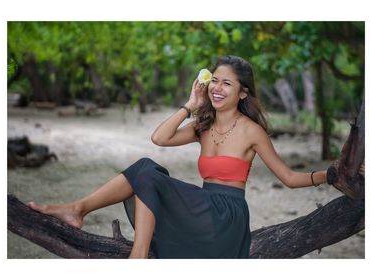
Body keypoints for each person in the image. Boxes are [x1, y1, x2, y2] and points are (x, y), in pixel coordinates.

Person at [27, 55, 363, 259]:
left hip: (226, 217)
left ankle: (130, 251)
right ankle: (88, 217)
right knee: (148, 168)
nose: (217, 88)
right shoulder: (202, 124)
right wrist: (190, 104)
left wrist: (330, 174)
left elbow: (289, 178)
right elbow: (159, 138)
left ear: (243, 92)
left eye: (226, 84)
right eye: (214, 80)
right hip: (202, 208)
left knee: (147, 173)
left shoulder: (251, 131)